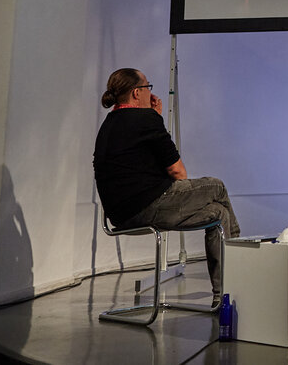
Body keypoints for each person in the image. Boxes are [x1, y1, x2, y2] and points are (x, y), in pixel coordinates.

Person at [93, 68, 240, 304]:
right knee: (217, 187)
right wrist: (156, 119)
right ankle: (240, 268)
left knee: (219, 214)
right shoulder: (146, 120)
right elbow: (178, 172)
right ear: (136, 93)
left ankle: (222, 294)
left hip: (121, 216)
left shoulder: (109, 124)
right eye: (147, 87)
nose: (150, 92)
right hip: (150, 206)